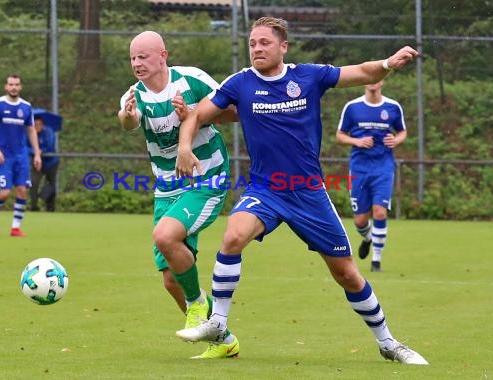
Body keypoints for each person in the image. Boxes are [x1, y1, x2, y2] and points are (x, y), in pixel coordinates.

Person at [174, 17, 428, 365]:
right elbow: (196, 115)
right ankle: (218, 323)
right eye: (252, 43)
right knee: (233, 236)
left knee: (347, 274)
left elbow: (362, 72)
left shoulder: (308, 76)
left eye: (264, 42)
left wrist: (387, 64)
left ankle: (388, 342)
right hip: (266, 190)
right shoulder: (240, 83)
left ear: (283, 46)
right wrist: (185, 147)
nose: (257, 48)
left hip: (308, 193)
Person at [117, 31, 239, 359]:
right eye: (133, 58)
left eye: (143, 56)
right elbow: (128, 123)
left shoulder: (191, 80)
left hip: (206, 179)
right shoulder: (134, 95)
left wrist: (196, 115)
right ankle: (223, 338)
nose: (137, 63)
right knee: (172, 281)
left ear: (162, 55)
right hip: (167, 189)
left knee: (164, 236)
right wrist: (127, 116)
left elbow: (235, 112)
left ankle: (198, 307)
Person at [336, 80, 407, 272]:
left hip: (383, 168)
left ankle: (376, 261)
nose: (373, 82)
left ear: (383, 81)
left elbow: (402, 132)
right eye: (370, 78)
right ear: (364, 81)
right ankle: (367, 238)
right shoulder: (352, 107)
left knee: (380, 212)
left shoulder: (392, 107)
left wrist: (396, 139)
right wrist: (356, 141)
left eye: (378, 78)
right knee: (360, 220)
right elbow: (340, 135)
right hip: (359, 169)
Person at [0, 74, 41, 237]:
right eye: (11, 84)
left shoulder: (26, 107)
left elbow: (31, 130)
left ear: (20, 87)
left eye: (16, 84)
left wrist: (37, 153)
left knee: (22, 190)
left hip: (21, 155)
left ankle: (15, 227)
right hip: (4, 155)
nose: (14, 87)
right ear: (6, 86)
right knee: (4, 192)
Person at [28, 115, 60, 212]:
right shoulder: (29, 133)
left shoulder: (48, 132)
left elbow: (50, 146)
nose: (37, 126)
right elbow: (25, 147)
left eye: (39, 124)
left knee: (51, 184)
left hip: (51, 162)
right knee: (33, 183)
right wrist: (36, 151)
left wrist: (42, 151)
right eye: (35, 124)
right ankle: (34, 206)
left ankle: (50, 207)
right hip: (37, 162)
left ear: (42, 125)